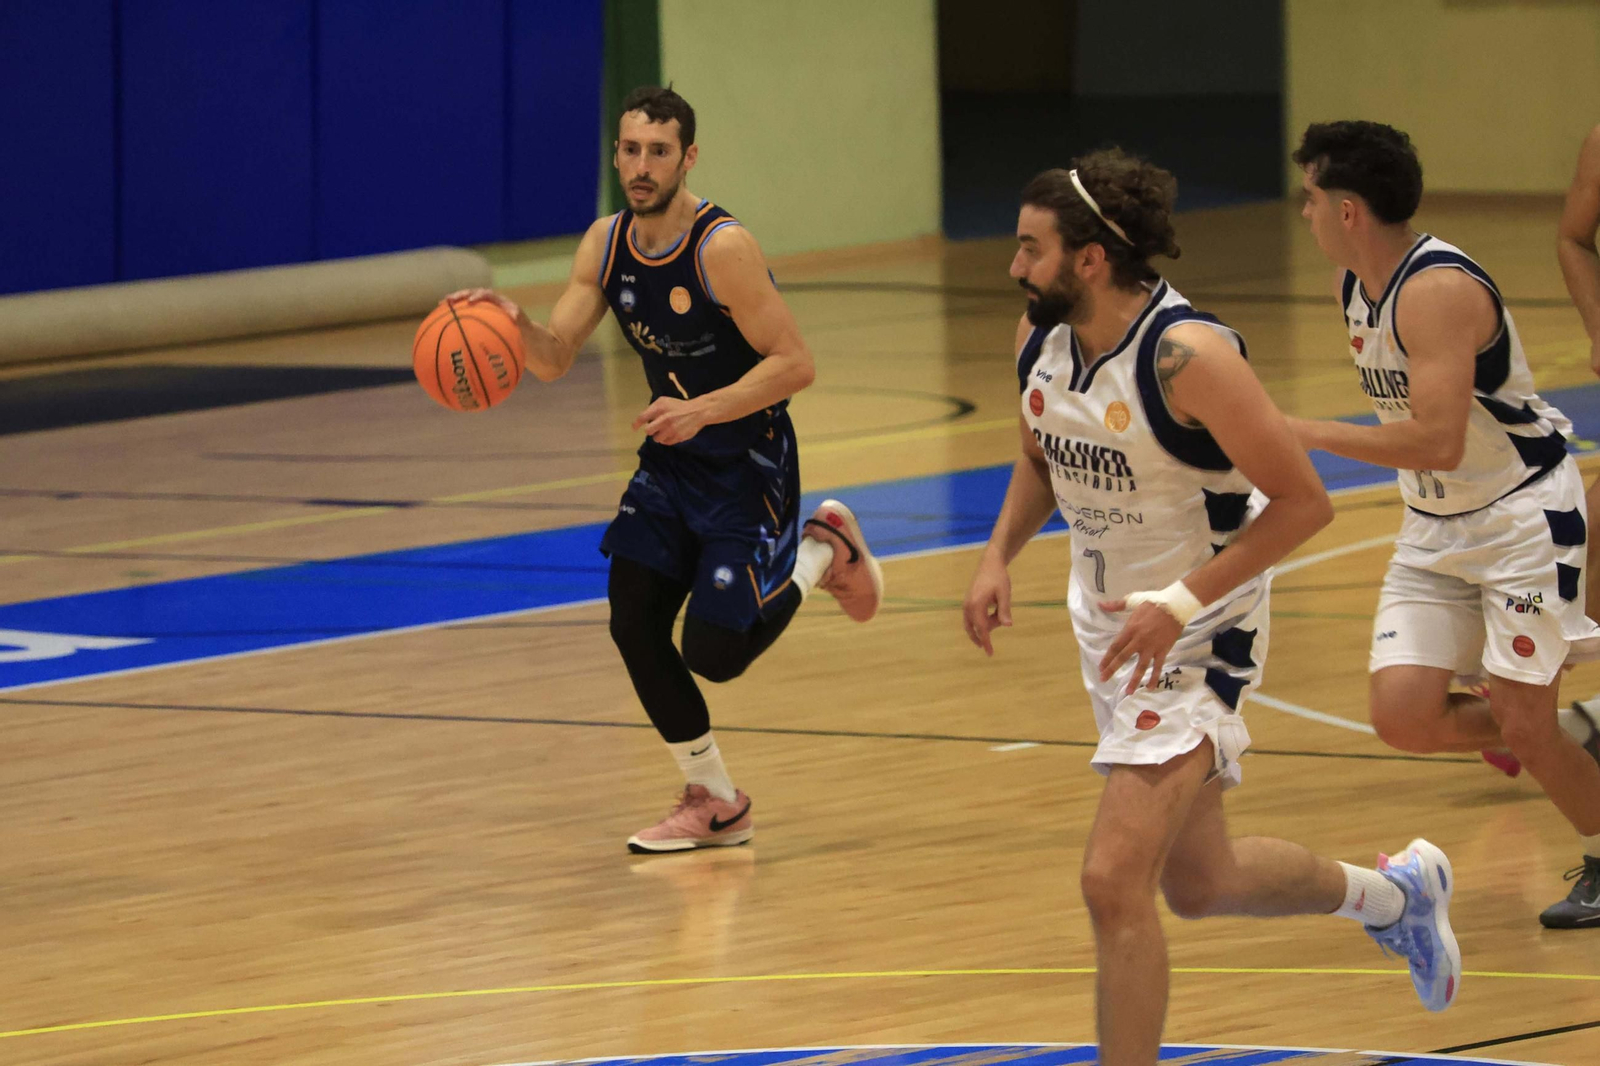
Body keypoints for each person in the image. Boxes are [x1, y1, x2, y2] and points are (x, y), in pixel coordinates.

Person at [962, 149, 1458, 1066]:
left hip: (1198, 631)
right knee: (1199, 881)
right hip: (1111, 628)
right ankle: (1395, 898)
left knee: (1112, 883)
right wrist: (998, 556)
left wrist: (1180, 601)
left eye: (1031, 248)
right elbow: (1040, 455)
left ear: (1090, 259)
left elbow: (1305, 502)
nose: (1014, 266)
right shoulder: (1040, 338)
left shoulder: (1190, 358)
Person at [452, 85, 883, 853]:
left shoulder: (723, 249)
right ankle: (717, 799)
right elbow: (553, 360)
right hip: (672, 467)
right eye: (630, 150)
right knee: (632, 620)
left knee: (712, 655)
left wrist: (703, 409)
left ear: (688, 158)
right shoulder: (605, 242)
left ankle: (823, 551)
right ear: (616, 155)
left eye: (658, 151)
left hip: (748, 464)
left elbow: (796, 363)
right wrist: (511, 324)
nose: (642, 166)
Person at [1287, 120, 1600, 929]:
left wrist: (1310, 432)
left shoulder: (1436, 291)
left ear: (1348, 210)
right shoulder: (1354, 284)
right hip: (1436, 523)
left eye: (1311, 198)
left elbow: (1438, 440)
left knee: (1523, 726)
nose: (1304, 212)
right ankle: (1578, 729)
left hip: (1521, 518)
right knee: (1402, 714)